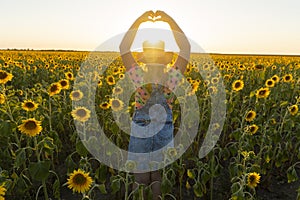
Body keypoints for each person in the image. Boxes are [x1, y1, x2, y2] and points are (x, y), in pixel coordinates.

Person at [119, 10, 190, 200]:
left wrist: (139, 21)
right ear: (165, 59)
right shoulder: (171, 79)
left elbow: (124, 47)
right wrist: (169, 21)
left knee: (141, 177)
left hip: (141, 130)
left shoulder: (138, 77)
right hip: (163, 131)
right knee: (157, 177)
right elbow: (186, 48)